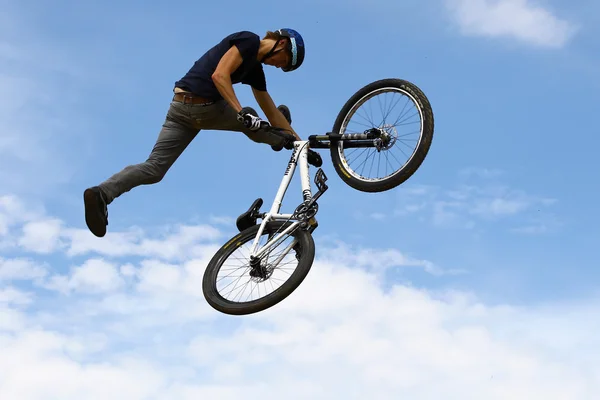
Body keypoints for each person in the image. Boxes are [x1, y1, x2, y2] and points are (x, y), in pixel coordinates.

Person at [83, 28, 317, 238]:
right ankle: (277, 137)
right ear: (283, 43)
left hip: (180, 107)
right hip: (203, 108)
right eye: (283, 62)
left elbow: (271, 110)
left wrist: (300, 144)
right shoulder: (249, 41)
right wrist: (243, 113)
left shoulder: (255, 71)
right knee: (253, 121)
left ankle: (102, 193)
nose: (278, 66)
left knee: (154, 169)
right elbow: (219, 75)